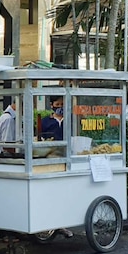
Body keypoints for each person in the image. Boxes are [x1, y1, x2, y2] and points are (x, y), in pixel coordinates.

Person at [37, 96, 74, 238]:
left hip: (66, 159)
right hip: (49, 159)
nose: (60, 106)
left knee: (63, 192)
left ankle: (62, 225)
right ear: (51, 105)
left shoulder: (70, 120)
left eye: (62, 104)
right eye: (57, 104)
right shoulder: (45, 121)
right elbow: (39, 138)